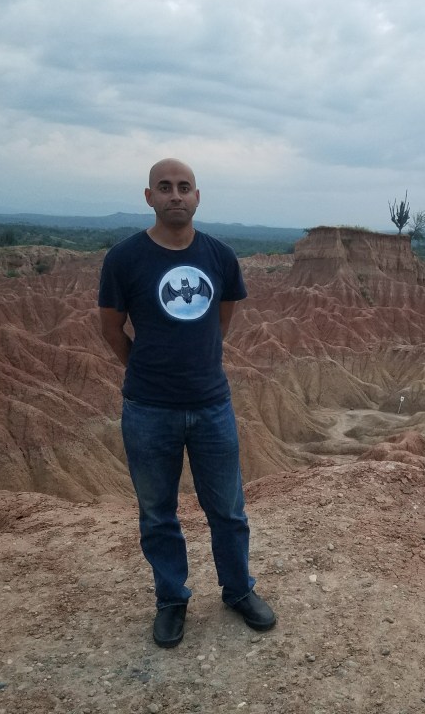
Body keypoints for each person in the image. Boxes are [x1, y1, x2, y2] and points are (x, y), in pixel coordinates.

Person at [98, 158, 275, 648]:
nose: (175, 195)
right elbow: (111, 328)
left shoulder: (219, 256)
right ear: (149, 197)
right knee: (158, 514)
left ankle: (239, 591)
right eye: (165, 187)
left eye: (184, 187)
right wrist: (146, 367)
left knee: (229, 511)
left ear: (197, 196)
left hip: (211, 404)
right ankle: (171, 600)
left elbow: (222, 319)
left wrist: (195, 362)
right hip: (148, 409)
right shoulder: (124, 259)